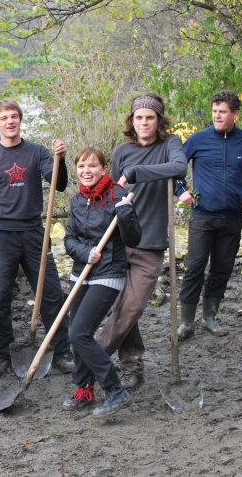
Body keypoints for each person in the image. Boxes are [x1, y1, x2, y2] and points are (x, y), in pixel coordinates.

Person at [94, 93, 187, 391]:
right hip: (120, 240)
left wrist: (137, 173)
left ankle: (91, 357)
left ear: (159, 120)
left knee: (131, 307)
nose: (144, 122)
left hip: (151, 242)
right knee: (119, 305)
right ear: (131, 121)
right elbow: (109, 192)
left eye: (150, 117)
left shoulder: (169, 145)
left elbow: (178, 168)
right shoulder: (122, 151)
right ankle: (132, 365)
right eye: (139, 117)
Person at [0, 99, 71, 378]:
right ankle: (1, 354)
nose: (10, 122)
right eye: (4, 118)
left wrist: (60, 160)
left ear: (20, 120)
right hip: (1, 233)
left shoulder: (37, 152)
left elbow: (58, 185)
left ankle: (62, 350)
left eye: (14, 117)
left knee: (51, 293)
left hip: (33, 231)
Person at [176, 90, 242, 340]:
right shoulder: (198, 140)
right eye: (214, 111)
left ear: (235, 114)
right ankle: (186, 323)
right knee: (195, 267)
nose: (217, 116)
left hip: (231, 218)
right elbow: (176, 168)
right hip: (203, 217)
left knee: (222, 268)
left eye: (222, 111)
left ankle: (210, 317)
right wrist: (181, 191)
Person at [62, 147, 142, 417]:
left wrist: (126, 213)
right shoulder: (76, 201)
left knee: (79, 333)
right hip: (81, 272)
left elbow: (133, 239)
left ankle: (115, 390)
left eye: (92, 166)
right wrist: (86, 253)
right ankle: (84, 388)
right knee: (77, 334)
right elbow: (69, 240)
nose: (87, 171)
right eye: (82, 166)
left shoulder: (118, 196)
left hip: (108, 273)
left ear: (103, 169)